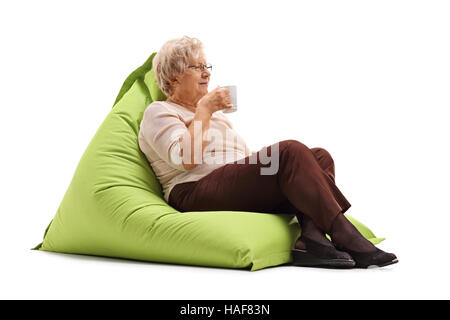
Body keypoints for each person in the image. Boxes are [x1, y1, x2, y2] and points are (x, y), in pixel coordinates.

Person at [138, 35, 398, 269]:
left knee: (318, 156)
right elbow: (187, 159)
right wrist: (205, 110)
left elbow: (237, 163)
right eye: (197, 67)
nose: (206, 73)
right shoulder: (160, 112)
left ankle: (312, 238)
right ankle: (342, 231)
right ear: (172, 78)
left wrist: (274, 162)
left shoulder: (215, 118)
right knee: (290, 151)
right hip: (192, 190)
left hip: (227, 183)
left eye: (207, 66)